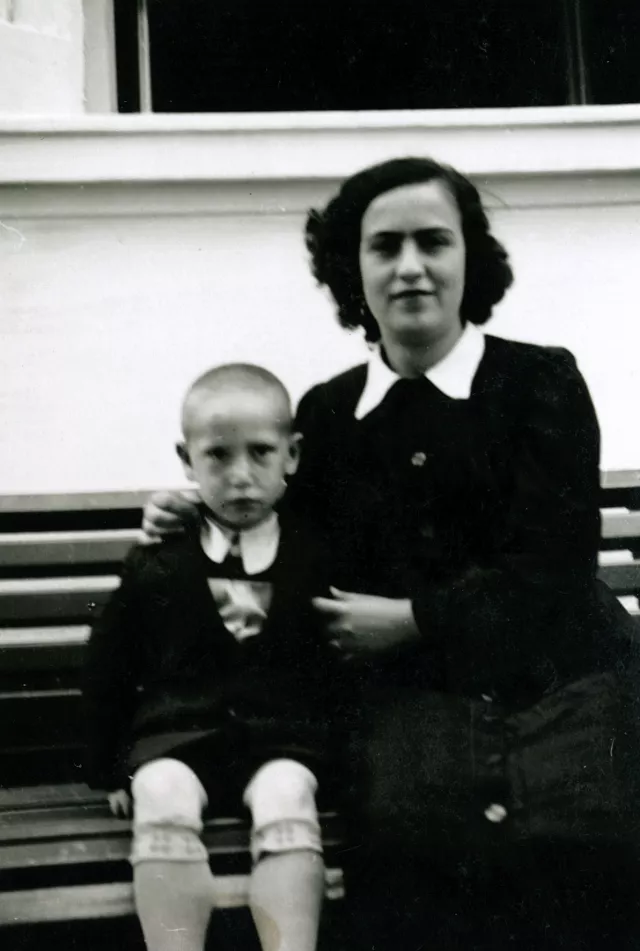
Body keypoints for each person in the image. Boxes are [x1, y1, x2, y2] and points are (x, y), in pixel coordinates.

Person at [141, 157, 640, 949]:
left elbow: (554, 564)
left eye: (434, 241)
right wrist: (194, 516)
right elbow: (284, 552)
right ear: (353, 269)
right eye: (385, 246)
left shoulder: (540, 381)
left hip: (562, 680)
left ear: (468, 258)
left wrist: (415, 618)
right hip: (412, 707)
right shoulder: (329, 415)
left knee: (586, 851)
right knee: (414, 860)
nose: (411, 266)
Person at [83, 363, 340, 951]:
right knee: (161, 791)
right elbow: (108, 667)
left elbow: (340, 670)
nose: (241, 476)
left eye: (261, 453)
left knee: (286, 793)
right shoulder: (158, 561)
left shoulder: (315, 557)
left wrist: (338, 755)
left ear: (293, 456)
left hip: (281, 740)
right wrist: (109, 765)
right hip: (180, 737)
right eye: (218, 456)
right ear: (187, 459)